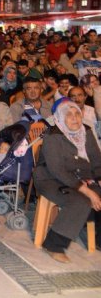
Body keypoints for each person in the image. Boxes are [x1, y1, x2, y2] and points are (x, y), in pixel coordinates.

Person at [34, 100, 101, 262]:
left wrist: (99, 178)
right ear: (60, 117)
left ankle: (99, 238)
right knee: (80, 200)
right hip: (51, 178)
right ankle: (54, 244)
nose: (74, 118)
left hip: (82, 175)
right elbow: (58, 170)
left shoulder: (86, 130)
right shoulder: (52, 135)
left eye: (77, 113)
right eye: (68, 115)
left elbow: (96, 160)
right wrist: (88, 191)